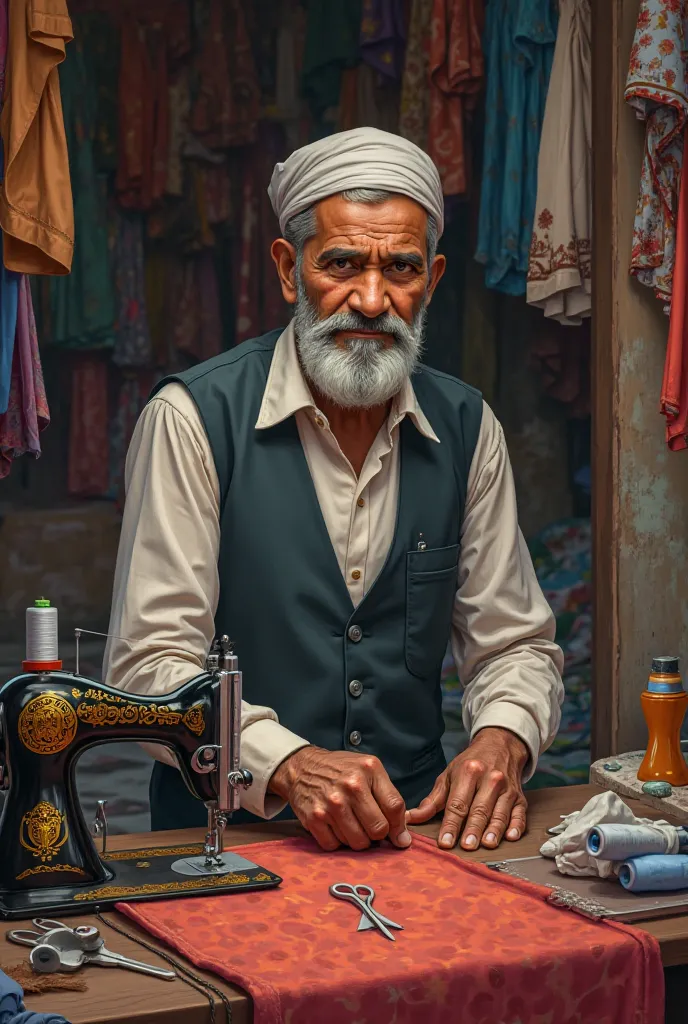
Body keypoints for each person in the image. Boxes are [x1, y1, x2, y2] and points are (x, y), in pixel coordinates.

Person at [104, 127, 564, 855]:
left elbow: (513, 644)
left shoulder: (469, 427)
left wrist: (503, 739)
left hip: (414, 839)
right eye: (342, 264)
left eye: (402, 270)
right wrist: (285, 763)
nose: (373, 299)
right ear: (289, 271)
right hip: (226, 840)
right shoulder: (194, 418)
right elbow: (151, 662)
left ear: (433, 281)